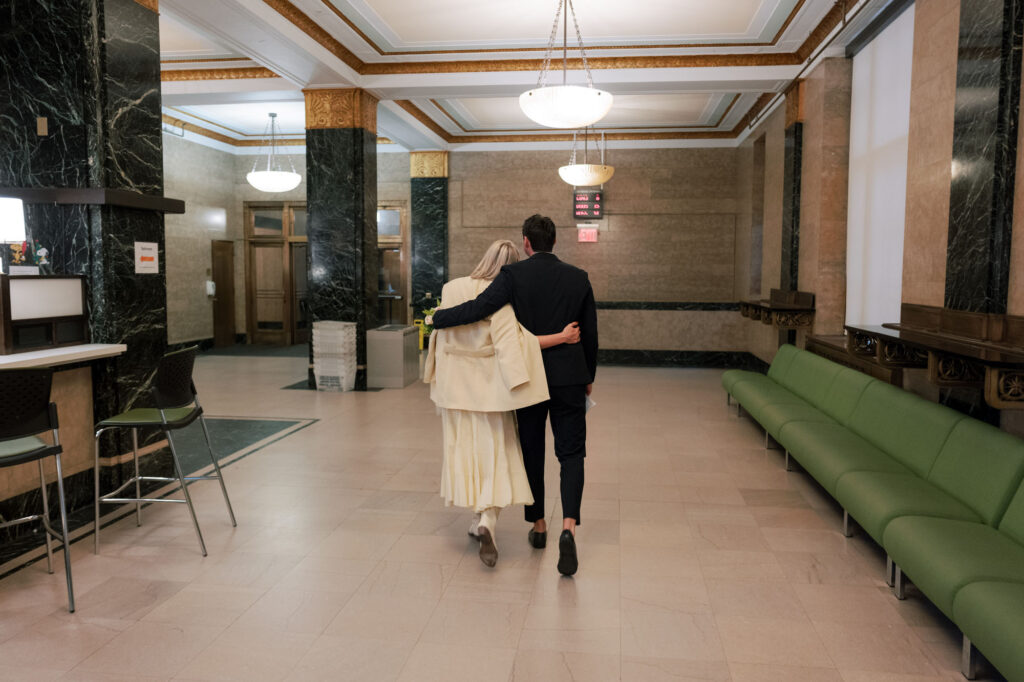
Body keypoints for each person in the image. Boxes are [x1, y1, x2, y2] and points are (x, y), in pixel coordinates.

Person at [429, 215, 598, 577]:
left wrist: (438, 318)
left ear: (526, 243)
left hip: (529, 379)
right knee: (571, 453)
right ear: (554, 241)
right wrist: (588, 378)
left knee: (532, 449)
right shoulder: (578, 277)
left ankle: (538, 526)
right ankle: (568, 527)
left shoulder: (513, 276)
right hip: (570, 376)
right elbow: (590, 335)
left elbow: (478, 310)